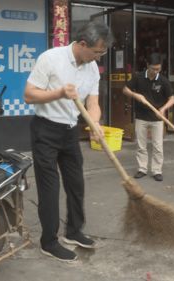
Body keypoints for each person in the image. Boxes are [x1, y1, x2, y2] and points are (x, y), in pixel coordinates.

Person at [24, 21, 112, 262]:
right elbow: (29, 95)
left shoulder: (92, 67)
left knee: (76, 184)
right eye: (97, 52)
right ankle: (48, 241)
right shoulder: (51, 58)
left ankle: (74, 231)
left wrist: (95, 123)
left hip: (71, 131)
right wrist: (59, 93)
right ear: (83, 44)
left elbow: (93, 104)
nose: (99, 57)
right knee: (50, 188)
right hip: (46, 131)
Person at [122, 54, 174, 182]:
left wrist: (162, 109)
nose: (155, 71)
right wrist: (135, 95)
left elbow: (172, 99)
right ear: (147, 66)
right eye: (153, 68)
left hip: (157, 119)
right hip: (141, 117)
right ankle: (142, 169)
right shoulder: (138, 77)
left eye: (158, 69)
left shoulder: (163, 81)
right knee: (141, 145)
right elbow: (125, 89)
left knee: (158, 146)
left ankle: (157, 171)